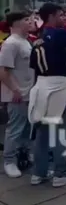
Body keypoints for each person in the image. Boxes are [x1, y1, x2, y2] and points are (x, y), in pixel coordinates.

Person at [29, 3, 66, 186]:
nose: (63, 18)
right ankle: (60, 173)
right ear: (52, 15)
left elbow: (34, 67)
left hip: (41, 86)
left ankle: (39, 172)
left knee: (43, 132)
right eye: (61, 15)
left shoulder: (39, 38)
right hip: (59, 87)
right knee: (62, 130)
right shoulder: (58, 34)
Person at [0, 11, 35, 178]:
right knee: (15, 129)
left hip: (29, 93)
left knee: (27, 128)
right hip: (17, 94)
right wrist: (15, 90)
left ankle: (24, 155)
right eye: (26, 20)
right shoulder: (11, 43)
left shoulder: (26, 41)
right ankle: (9, 161)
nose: (31, 22)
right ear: (16, 23)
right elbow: (3, 71)